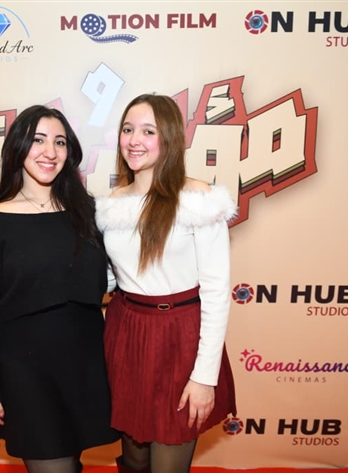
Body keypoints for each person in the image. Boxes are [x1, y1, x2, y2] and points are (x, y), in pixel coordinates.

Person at [0, 105, 119, 473]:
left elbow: (115, 276)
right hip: (26, 374)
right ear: (18, 147)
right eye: (38, 140)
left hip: (86, 365)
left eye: (60, 142)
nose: (50, 151)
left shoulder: (89, 212)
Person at [95, 94, 237, 473]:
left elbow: (216, 292)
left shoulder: (198, 199)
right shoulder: (112, 203)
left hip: (181, 337)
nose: (134, 140)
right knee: (133, 460)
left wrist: (204, 377)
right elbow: (113, 275)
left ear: (170, 138)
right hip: (126, 332)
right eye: (128, 129)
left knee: (168, 462)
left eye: (148, 131)